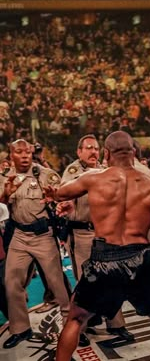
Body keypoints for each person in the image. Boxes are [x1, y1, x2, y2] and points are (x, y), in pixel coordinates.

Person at [43, 130, 150, 361]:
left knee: (75, 319)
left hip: (104, 257)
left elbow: (60, 193)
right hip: (141, 258)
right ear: (133, 152)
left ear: (106, 153)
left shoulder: (93, 178)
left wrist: (55, 195)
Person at [60, 133, 134, 345]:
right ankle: (79, 330)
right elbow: (65, 192)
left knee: (112, 278)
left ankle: (117, 325)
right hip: (82, 233)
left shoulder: (105, 169)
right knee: (86, 283)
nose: (94, 152)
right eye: (89, 148)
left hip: (105, 233)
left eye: (96, 148)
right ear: (79, 152)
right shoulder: (73, 170)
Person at [0, 139, 70, 349]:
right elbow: (1, 204)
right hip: (19, 236)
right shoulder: (4, 177)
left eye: (28, 152)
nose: (24, 156)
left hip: (43, 235)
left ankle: (72, 327)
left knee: (57, 284)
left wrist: (57, 199)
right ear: (11, 155)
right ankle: (20, 328)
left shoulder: (45, 174)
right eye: (19, 152)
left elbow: (64, 197)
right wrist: (6, 193)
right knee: (11, 283)